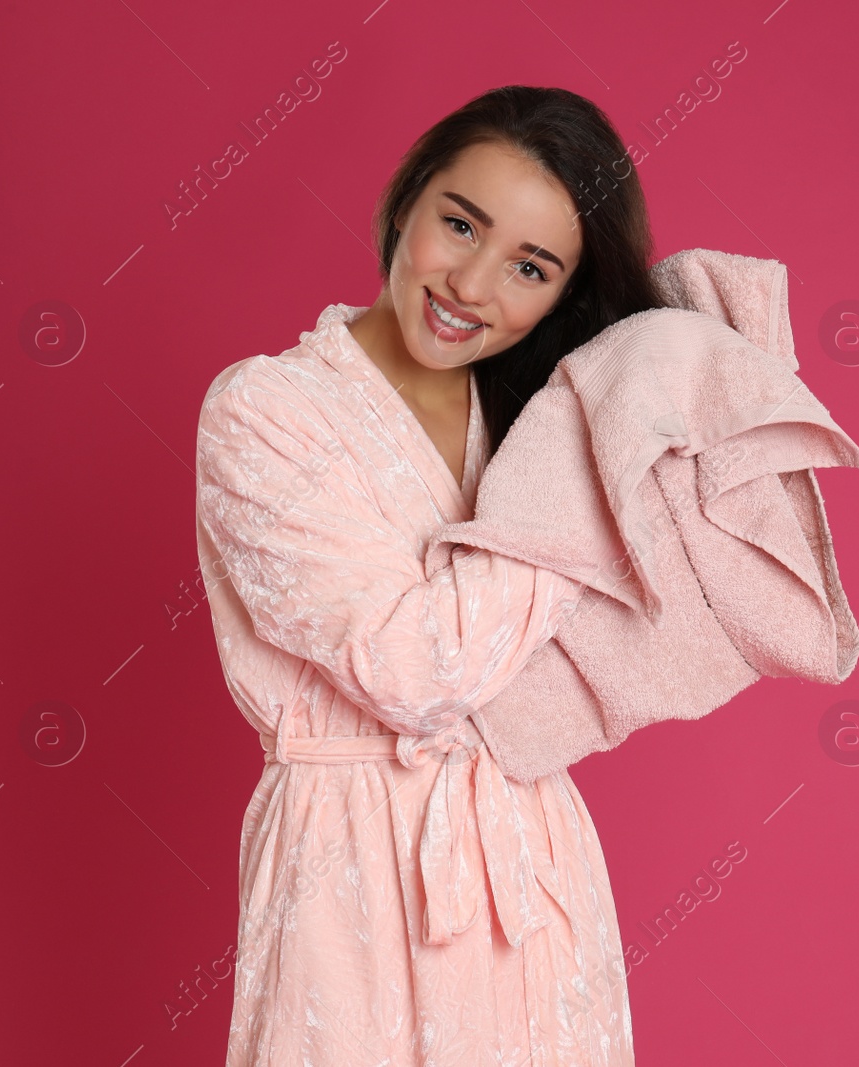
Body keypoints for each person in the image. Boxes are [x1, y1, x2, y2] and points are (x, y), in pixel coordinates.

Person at [194, 85, 667, 1066]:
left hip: (526, 861)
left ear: (561, 296)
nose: (471, 284)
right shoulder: (265, 410)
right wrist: (583, 482)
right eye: (461, 223)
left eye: (528, 267)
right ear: (407, 199)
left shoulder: (533, 425)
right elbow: (411, 670)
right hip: (347, 862)